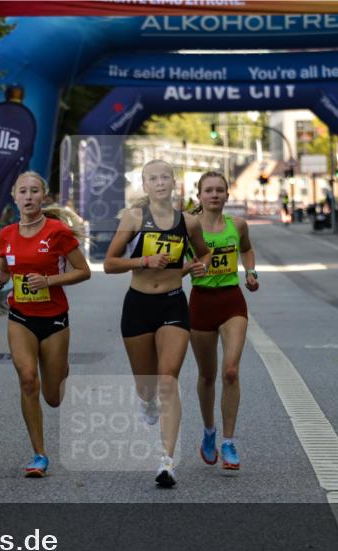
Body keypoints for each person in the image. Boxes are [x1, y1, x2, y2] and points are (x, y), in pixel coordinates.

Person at [103, 159, 210, 488]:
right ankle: (146, 400)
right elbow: (109, 263)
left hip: (173, 303)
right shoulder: (134, 218)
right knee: (147, 386)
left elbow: (204, 253)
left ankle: (166, 460)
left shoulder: (189, 223)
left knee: (168, 378)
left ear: (174, 183)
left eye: (165, 177)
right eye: (153, 178)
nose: (160, 182)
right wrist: (143, 260)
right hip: (138, 305)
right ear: (145, 186)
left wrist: (198, 266)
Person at [0, 172, 91, 477]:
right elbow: (5, 272)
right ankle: (39, 455)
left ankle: (61, 371)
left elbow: (83, 271)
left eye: (34, 191)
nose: (29, 197)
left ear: (43, 197)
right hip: (20, 317)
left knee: (53, 398)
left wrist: (50, 280)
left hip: (54, 318)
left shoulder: (58, 232)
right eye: (23, 191)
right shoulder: (6, 235)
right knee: (28, 379)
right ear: (14, 196)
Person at [184, 172, 259, 472]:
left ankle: (228, 441)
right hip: (200, 303)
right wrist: (189, 267)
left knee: (230, 371)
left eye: (219, 190)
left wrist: (251, 273)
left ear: (228, 195)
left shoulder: (237, 225)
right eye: (208, 190)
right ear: (199, 195)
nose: (214, 195)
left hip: (231, 301)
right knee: (207, 375)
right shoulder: (188, 226)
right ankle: (209, 432)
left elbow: (247, 250)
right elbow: (175, 260)